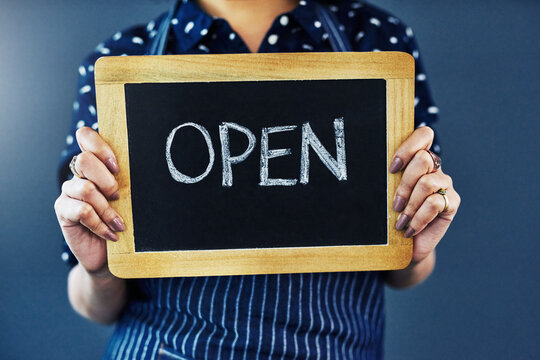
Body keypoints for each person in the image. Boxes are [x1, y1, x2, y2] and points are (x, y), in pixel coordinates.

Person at [54, 0, 460, 358]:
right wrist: (101, 270)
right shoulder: (121, 61)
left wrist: (416, 246)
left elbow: (401, 269)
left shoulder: (376, 39)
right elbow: (95, 306)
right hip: (166, 349)